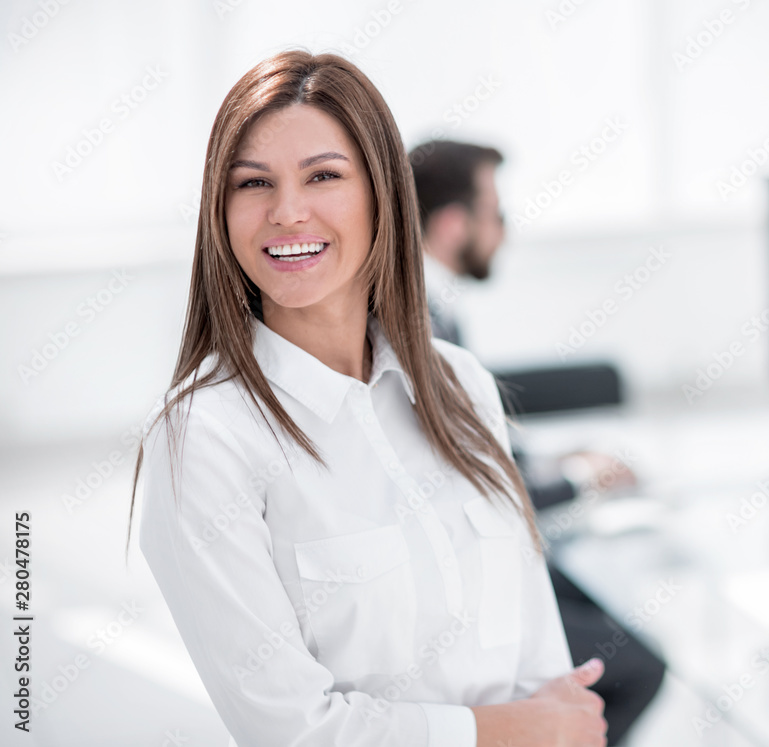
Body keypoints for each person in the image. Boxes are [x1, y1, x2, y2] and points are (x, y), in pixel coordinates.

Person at [125, 50, 608, 747]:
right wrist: (512, 731)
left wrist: (546, 727)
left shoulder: (461, 383)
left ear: (384, 194)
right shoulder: (202, 438)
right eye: (253, 183)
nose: (286, 211)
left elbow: (546, 672)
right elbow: (292, 731)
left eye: (323, 175)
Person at [409, 139, 668, 746]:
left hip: (476, 545)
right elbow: (469, 483)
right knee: (635, 668)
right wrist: (581, 479)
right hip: (460, 590)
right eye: (498, 212)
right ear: (453, 224)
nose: (507, 229)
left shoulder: (430, 303)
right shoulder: (418, 323)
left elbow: (470, 445)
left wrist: (563, 462)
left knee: (610, 609)